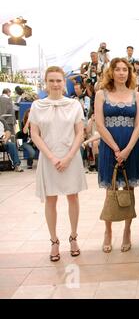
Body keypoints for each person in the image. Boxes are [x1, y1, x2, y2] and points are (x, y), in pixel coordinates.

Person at [28, 66, 87, 262]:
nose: (55, 84)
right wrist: (52, 158)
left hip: (70, 156)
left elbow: (80, 132)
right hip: (48, 158)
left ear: (64, 83)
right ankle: (54, 241)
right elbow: (34, 134)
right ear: (46, 83)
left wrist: (69, 156)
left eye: (59, 81)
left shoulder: (74, 105)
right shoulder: (37, 106)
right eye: (51, 81)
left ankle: (74, 237)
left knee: (73, 197)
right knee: (51, 200)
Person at [95, 58, 139, 253]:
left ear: (129, 73)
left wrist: (127, 150)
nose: (122, 73)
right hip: (110, 146)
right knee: (111, 189)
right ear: (112, 72)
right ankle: (107, 231)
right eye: (118, 69)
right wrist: (116, 149)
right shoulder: (101, 94)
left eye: (125, 69)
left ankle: (127, 231)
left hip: (131, 147)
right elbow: (99, 124)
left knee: (129, 190)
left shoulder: (136, 95)